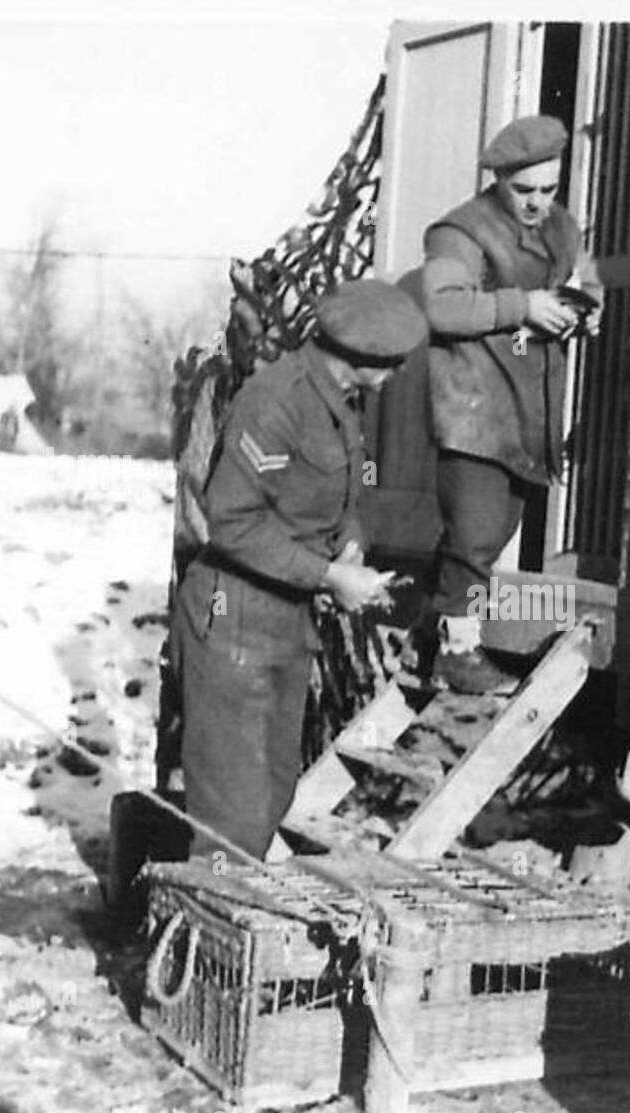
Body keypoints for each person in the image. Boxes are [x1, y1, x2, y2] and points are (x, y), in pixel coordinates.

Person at [171, 279, 427, 860]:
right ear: (358, 355)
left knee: (271, 797)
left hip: (285, 625)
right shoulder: (276, 399)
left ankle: (227, 929)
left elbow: (340, 500)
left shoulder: (340, 405)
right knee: (230, 822)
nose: (396, 373)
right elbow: (232, 522)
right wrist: (329, 577)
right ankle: (207, 936)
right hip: (231, 621)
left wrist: (350, 549)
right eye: (389, 362)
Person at [417, 114, 602, 693]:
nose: (537, 203)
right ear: (498, 179)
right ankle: (457, 651)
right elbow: (442, 307)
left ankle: (428, 635)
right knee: (473, 537)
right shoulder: (460, 232)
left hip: (528, 411)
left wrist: (582, 309)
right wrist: (523, 307)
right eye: (524, 191)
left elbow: (585, 277)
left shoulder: (563, 227)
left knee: (492, 535)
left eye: (549, 190)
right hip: (473, 408)